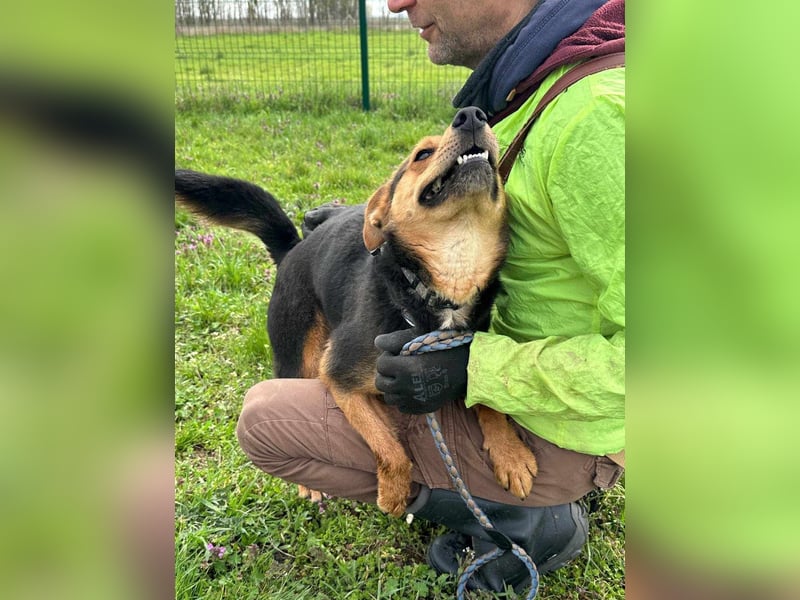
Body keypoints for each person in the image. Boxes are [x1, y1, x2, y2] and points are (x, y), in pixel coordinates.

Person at [237, 0, 625, 593]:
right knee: (303, 377)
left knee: (266, 420)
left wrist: (474, 367)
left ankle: (521, 518)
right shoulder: (533, 92)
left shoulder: (595, 118)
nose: (395, 3)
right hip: (522, 382)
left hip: (573, 426)